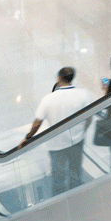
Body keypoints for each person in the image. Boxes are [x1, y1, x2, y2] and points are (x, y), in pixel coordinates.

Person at [21, 67, 95, 196]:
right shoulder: (83, 94)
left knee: (58, 176)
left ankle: (59, 198)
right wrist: (82, 131)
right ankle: (77, 196)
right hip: (77, 141)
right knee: (75, 172)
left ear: (59, 78)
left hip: (56, 145)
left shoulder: (48, 99)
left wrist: (28, 137)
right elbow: (89, 118)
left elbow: (37, 123)